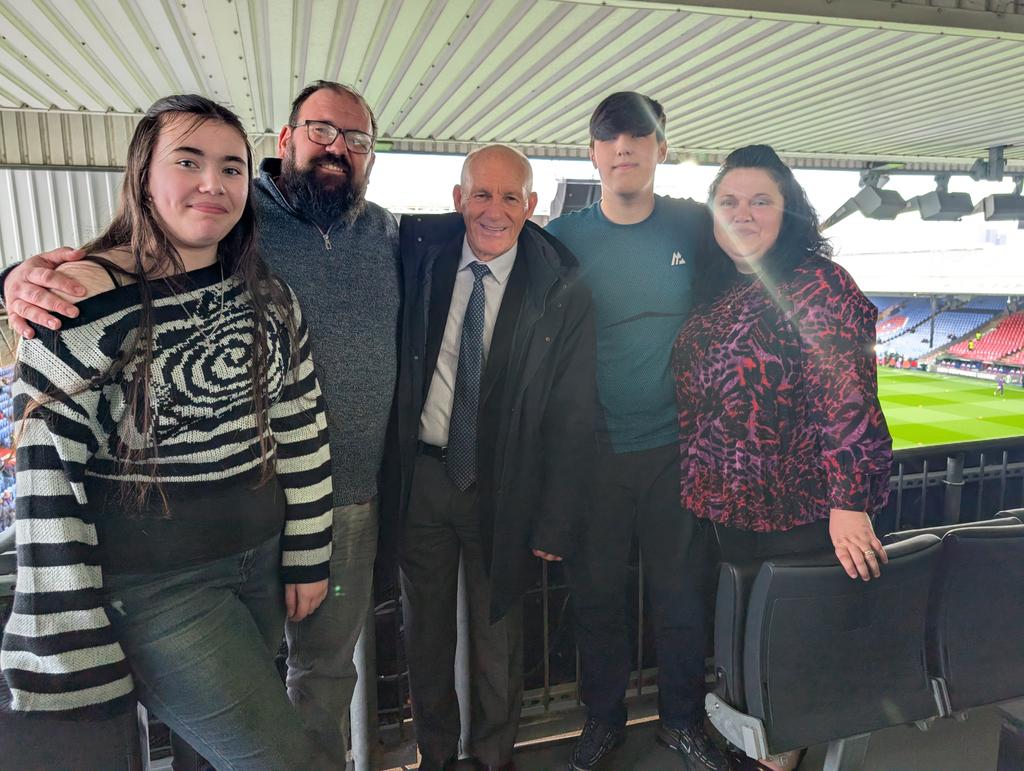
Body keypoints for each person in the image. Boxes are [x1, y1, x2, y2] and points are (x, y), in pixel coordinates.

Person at [1, 80, 400, 767]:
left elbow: (301, 427)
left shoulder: (276, 291)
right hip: (159, 587)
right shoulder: (81, 306)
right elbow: (46, 485)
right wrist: (71, 648)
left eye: (228, 168)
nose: (211, 184)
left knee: (221, 745)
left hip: (264, 558)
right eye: (187, 161)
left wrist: (306, 553)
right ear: (142, 175)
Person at [672, 144, 893, 771]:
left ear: (787, 210)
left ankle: (776, 761)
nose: (742, 214)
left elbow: (848, 396)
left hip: (801, 514)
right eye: (728, 202)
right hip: (728, 512)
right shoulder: (718, 288)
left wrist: (850, 502)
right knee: (746, 654)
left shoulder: (819, 284)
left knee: (785, 660)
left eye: (760, 201)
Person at [388, 144, 597, 770]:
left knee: (497, 633)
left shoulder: (561, 286)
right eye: (481, 193)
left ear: (530, 206)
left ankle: (492, 759)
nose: (494, 210)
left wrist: (556, 516)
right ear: (458, 198)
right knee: (424, 633)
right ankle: (435, 756)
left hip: (503, 488)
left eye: (510, 197)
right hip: (423, 478)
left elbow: (573, 411)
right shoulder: (417, 255)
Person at [545, 92, 728, 771]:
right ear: (593, 153)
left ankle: (682, 721)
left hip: (676, 453)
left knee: (681, 599)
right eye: (609, 137)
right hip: (594, 456)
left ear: (661, 148)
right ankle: (603, 720)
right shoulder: (563, 237)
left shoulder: (694, 224)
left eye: (638, 135)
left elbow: (760, 266)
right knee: (598, 601)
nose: (624, 146)